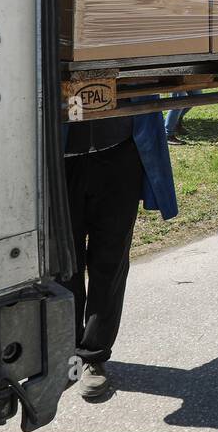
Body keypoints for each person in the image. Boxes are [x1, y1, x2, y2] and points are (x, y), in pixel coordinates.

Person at [62, 108, 175, 400]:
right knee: (63, 263)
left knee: (109, 262)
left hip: (118, 154)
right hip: (60, 161)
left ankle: (93, 356)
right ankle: (64, 353)